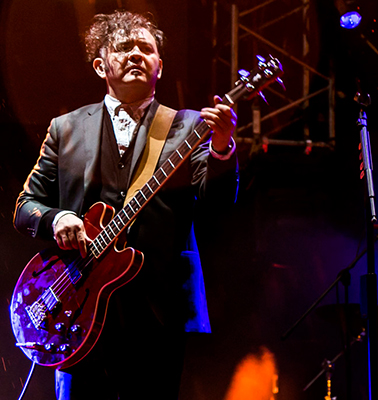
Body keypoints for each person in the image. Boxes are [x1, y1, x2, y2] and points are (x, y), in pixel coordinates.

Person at [13, 11, 239, 400]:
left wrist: (221, 148)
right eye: (124, 47)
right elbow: (25, 206)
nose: (136, 54)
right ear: (101, 65)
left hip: (158, 311)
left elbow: (214, 203)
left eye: (146, 49)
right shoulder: (65, 128)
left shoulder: (187, 126)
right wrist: (58, 218)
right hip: (75, 308)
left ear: (160, 66)